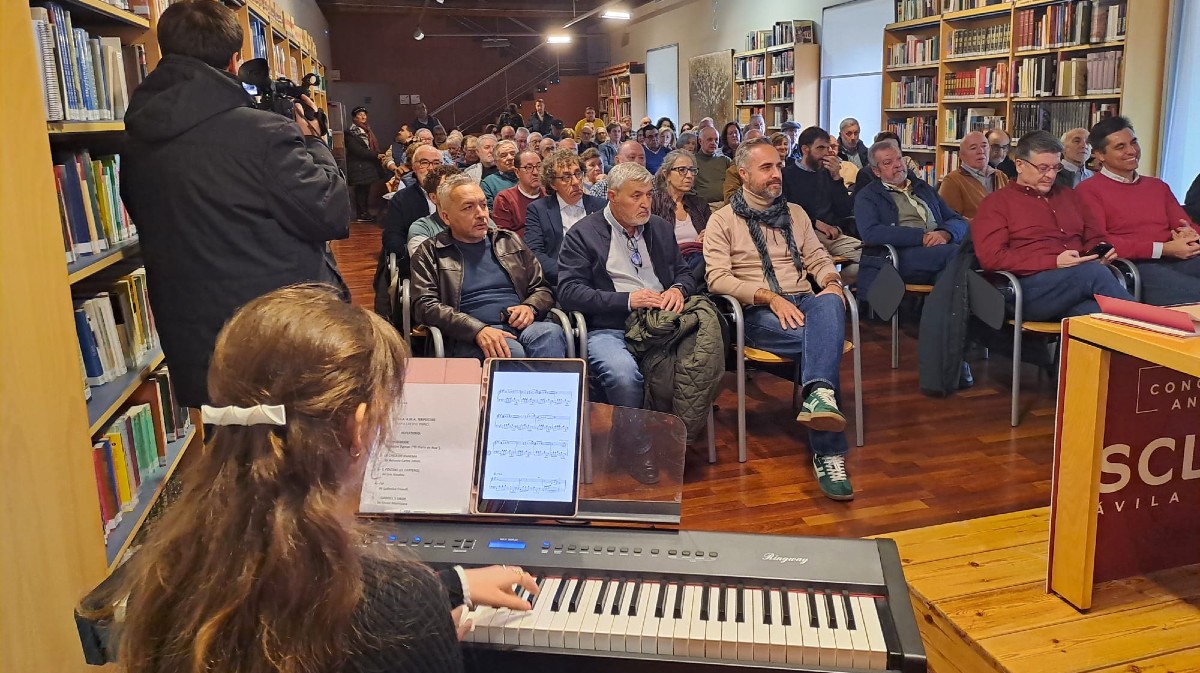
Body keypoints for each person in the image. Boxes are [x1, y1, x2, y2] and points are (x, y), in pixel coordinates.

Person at [80, 284, 540, 673]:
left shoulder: (162, 573)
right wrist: (433, 638)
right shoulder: (398, 608)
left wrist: (453, 583)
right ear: (359, 427)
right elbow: (368, 606)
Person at [120, 0, 348, 408]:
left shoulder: (136, 139)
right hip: (273, 341)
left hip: (196, 343)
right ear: (234, 60)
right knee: (291, 461)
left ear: (164, 52)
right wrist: (314, 142)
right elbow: (329, 211)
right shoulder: (263, 134)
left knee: (232, 455)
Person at [704, 138, 854, 501]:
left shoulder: (796, 214)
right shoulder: (722, 220)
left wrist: (831, 281)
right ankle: (829, 452)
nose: (777, 174)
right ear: (743, 174)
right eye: (766, 168)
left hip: (803, 301)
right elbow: (717, 278)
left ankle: (818, 395)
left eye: (778, 165)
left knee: (832, 303)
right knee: (822, 339)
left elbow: (818, 258)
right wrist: (769, 297)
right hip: (756, 312)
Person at [557, 163, 708, 484]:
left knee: (701, 360)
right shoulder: (583, 233)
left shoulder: (659, 228)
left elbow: (683, 271)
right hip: (609, 325)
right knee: (624, 376)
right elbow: (569, 292)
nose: (645, 203)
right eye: (635, 196)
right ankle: (635, 447)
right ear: (611, 197)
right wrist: (627, 300)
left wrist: (680, 290)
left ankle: (673, 440)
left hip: (662, 320)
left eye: (649, 195)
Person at [972, 131, 1132, 321]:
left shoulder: (1070, 197)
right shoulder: (996, 203)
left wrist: (1099, 253)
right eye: (1042, 168)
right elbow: (992, 258)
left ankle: (1148, 339)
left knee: (1096, 315)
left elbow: (1094, 237)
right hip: (1026, 289)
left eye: (1056, 168)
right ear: (1020, 165)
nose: (1050, 175)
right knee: (1093, 275)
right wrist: (1054, 262)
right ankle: (1152, 326)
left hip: (1077, 282)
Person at [412, 178, 565, 360]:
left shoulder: (508, 240)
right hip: (467, 334)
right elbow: (425, 306)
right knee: (510, 351)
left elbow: (541, 287)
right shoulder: (430, 252)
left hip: (523, 325)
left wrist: (530, 307)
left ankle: (545, 390)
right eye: (468, 207)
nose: (481, 214)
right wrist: (477, 329)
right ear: (446, 217)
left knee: (550, 334)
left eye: (483, 205)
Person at [1075, 116, 1200, 305]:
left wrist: (1192, 236)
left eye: (1134, 143)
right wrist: (1164, 249)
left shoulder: (1158, 186)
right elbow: (1101, 242)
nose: (1132, 151)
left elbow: (1184, 224)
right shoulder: (1088, 191)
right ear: (1100, 155)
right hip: (1134, 267)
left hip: (1177, 259)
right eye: (1120, 147)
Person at [856, 139, 968, 297]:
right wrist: (921, 237)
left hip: (938, 247)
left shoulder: (922, 187)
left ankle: (939, 316)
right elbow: (871, 233)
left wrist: (945, 233)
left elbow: (956, 219)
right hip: (899, 254)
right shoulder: (868, 196)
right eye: (888, 162)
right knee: (957, 254)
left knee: (952, 268)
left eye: (899, 158)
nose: (898, 164)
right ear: (876, 171)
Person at [781, 126, 862, 282]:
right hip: (806, 236)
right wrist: (816, 223)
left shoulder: (828, 174)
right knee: (821, 264)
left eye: (828, 148)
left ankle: (835, 284)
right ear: (805, 149)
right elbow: (785, 212)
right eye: (820, 148)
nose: (826, 153)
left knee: (874, 258)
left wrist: (837, 178)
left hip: (834, 234)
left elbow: (844, 210)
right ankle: (826, 286)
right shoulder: (787, 176)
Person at [525, 149, 608, 285]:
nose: (575, 182)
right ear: (552, 184)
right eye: (566, 177)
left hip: (599, 280)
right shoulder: (539, 210)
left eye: (578, 174)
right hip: (561, 281)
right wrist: (569, 275)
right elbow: (534, 253)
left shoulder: (601, 206)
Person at [651, 149, 711, 273]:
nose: (689, 175)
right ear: (666, 174)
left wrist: (708, 237)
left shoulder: (699, 204)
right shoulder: (654, 203)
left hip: (700, 257)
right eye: (682, 170)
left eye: (692, 170)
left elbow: (713, 234)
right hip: (669, 264)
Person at [382, 144, 442, 259]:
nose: (431, 168)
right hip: (415, 259)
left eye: (436, 163)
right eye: (424, 163)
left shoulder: (453, 195)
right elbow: (393, 237)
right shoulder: (402, 199)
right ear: (414, 167)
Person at [937, 131, 1009, 222]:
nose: (981, 151)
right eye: (973, 148)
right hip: (973, 234)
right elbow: (949, 221)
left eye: (984, 146)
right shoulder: (953, 181)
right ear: (961, 155)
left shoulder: (1001, 176)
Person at [406, 166, 461, 257]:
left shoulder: (480, 218)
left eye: (460, 186)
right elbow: (423, 264)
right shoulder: (421, 228)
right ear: (433, 198)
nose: (458, 192)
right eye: (447, 188)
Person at [346, 106, 386, 221]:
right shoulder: (351, 133)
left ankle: (364, 213)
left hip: (366, 166)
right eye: (360, 114)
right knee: (361, 191)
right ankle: (362, 213)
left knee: (365, 190)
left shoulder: (366, 129)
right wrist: (376, 155)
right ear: (354, 117)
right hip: (358, 166)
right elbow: (358, 150)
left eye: (364, 114)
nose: (363, 116)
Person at [490, 149, 543, 238]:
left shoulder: (549, 195)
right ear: (517, 172)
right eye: (528, 168)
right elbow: (504, 238)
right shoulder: (504, 199)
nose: (536, 172)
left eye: (539, 166)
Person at [694, 125, 732, 204]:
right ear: (700, 141)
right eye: (709, 139)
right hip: (702, 206)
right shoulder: (692, 161)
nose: (713, 143)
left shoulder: (725, 161)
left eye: (716, 140)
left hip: (725, 205)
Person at [481, 139, 519, 209]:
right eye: (504, 155)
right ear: (496, 162)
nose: (510, 158)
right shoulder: (488, 183)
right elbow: (488, 210)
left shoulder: (527, 176)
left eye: (513, 154)